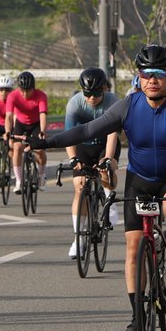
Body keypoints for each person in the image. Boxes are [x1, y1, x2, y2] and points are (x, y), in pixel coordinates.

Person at [32, 43, 166, 331]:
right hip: (141, 178)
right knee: (134, 247)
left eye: (159, 74)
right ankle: (136, 314)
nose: (152, 80)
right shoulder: (129, 105)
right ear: (140, 76)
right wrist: (48, 143)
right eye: (146, 74)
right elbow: (86, 131)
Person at [63, 66, 119, 258]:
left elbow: (113, 135)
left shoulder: (113, 102)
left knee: (107, 171)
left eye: (96, 94)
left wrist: (108, 158)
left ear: (104, 89)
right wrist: (73, 159)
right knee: (79, 186)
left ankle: (110, 200)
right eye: (88, 94)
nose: (92, 99)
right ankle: (78, 238)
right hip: (83, 145)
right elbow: (69, 136)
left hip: (105, 143)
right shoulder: (75, 104)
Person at [5, 71, 48, 194]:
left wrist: (42, 131)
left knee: (39, 150)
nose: (24, 93)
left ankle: (41, 175)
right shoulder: (13, 96)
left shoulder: (41, 95)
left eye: (28, 90)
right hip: (20, 124)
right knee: (17, 147)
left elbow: (43, 115)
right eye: (22, 90)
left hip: (36, 125)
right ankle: (19, 180)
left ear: (33, 88)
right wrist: (8, 132)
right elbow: (9, 116)